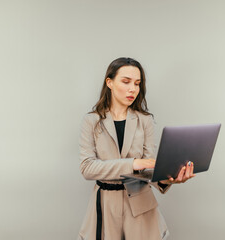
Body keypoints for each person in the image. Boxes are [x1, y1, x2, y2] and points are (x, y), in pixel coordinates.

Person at [77, 57, 196, 240]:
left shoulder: (145, 120)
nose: (133, 89)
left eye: (137, 83)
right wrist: (133, 163)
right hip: (105, 205)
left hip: (141, 205)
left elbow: (147, 168)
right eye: (126, 82)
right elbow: (87, 168)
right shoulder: (92, 121)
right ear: (109, 82)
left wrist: (169, 179)